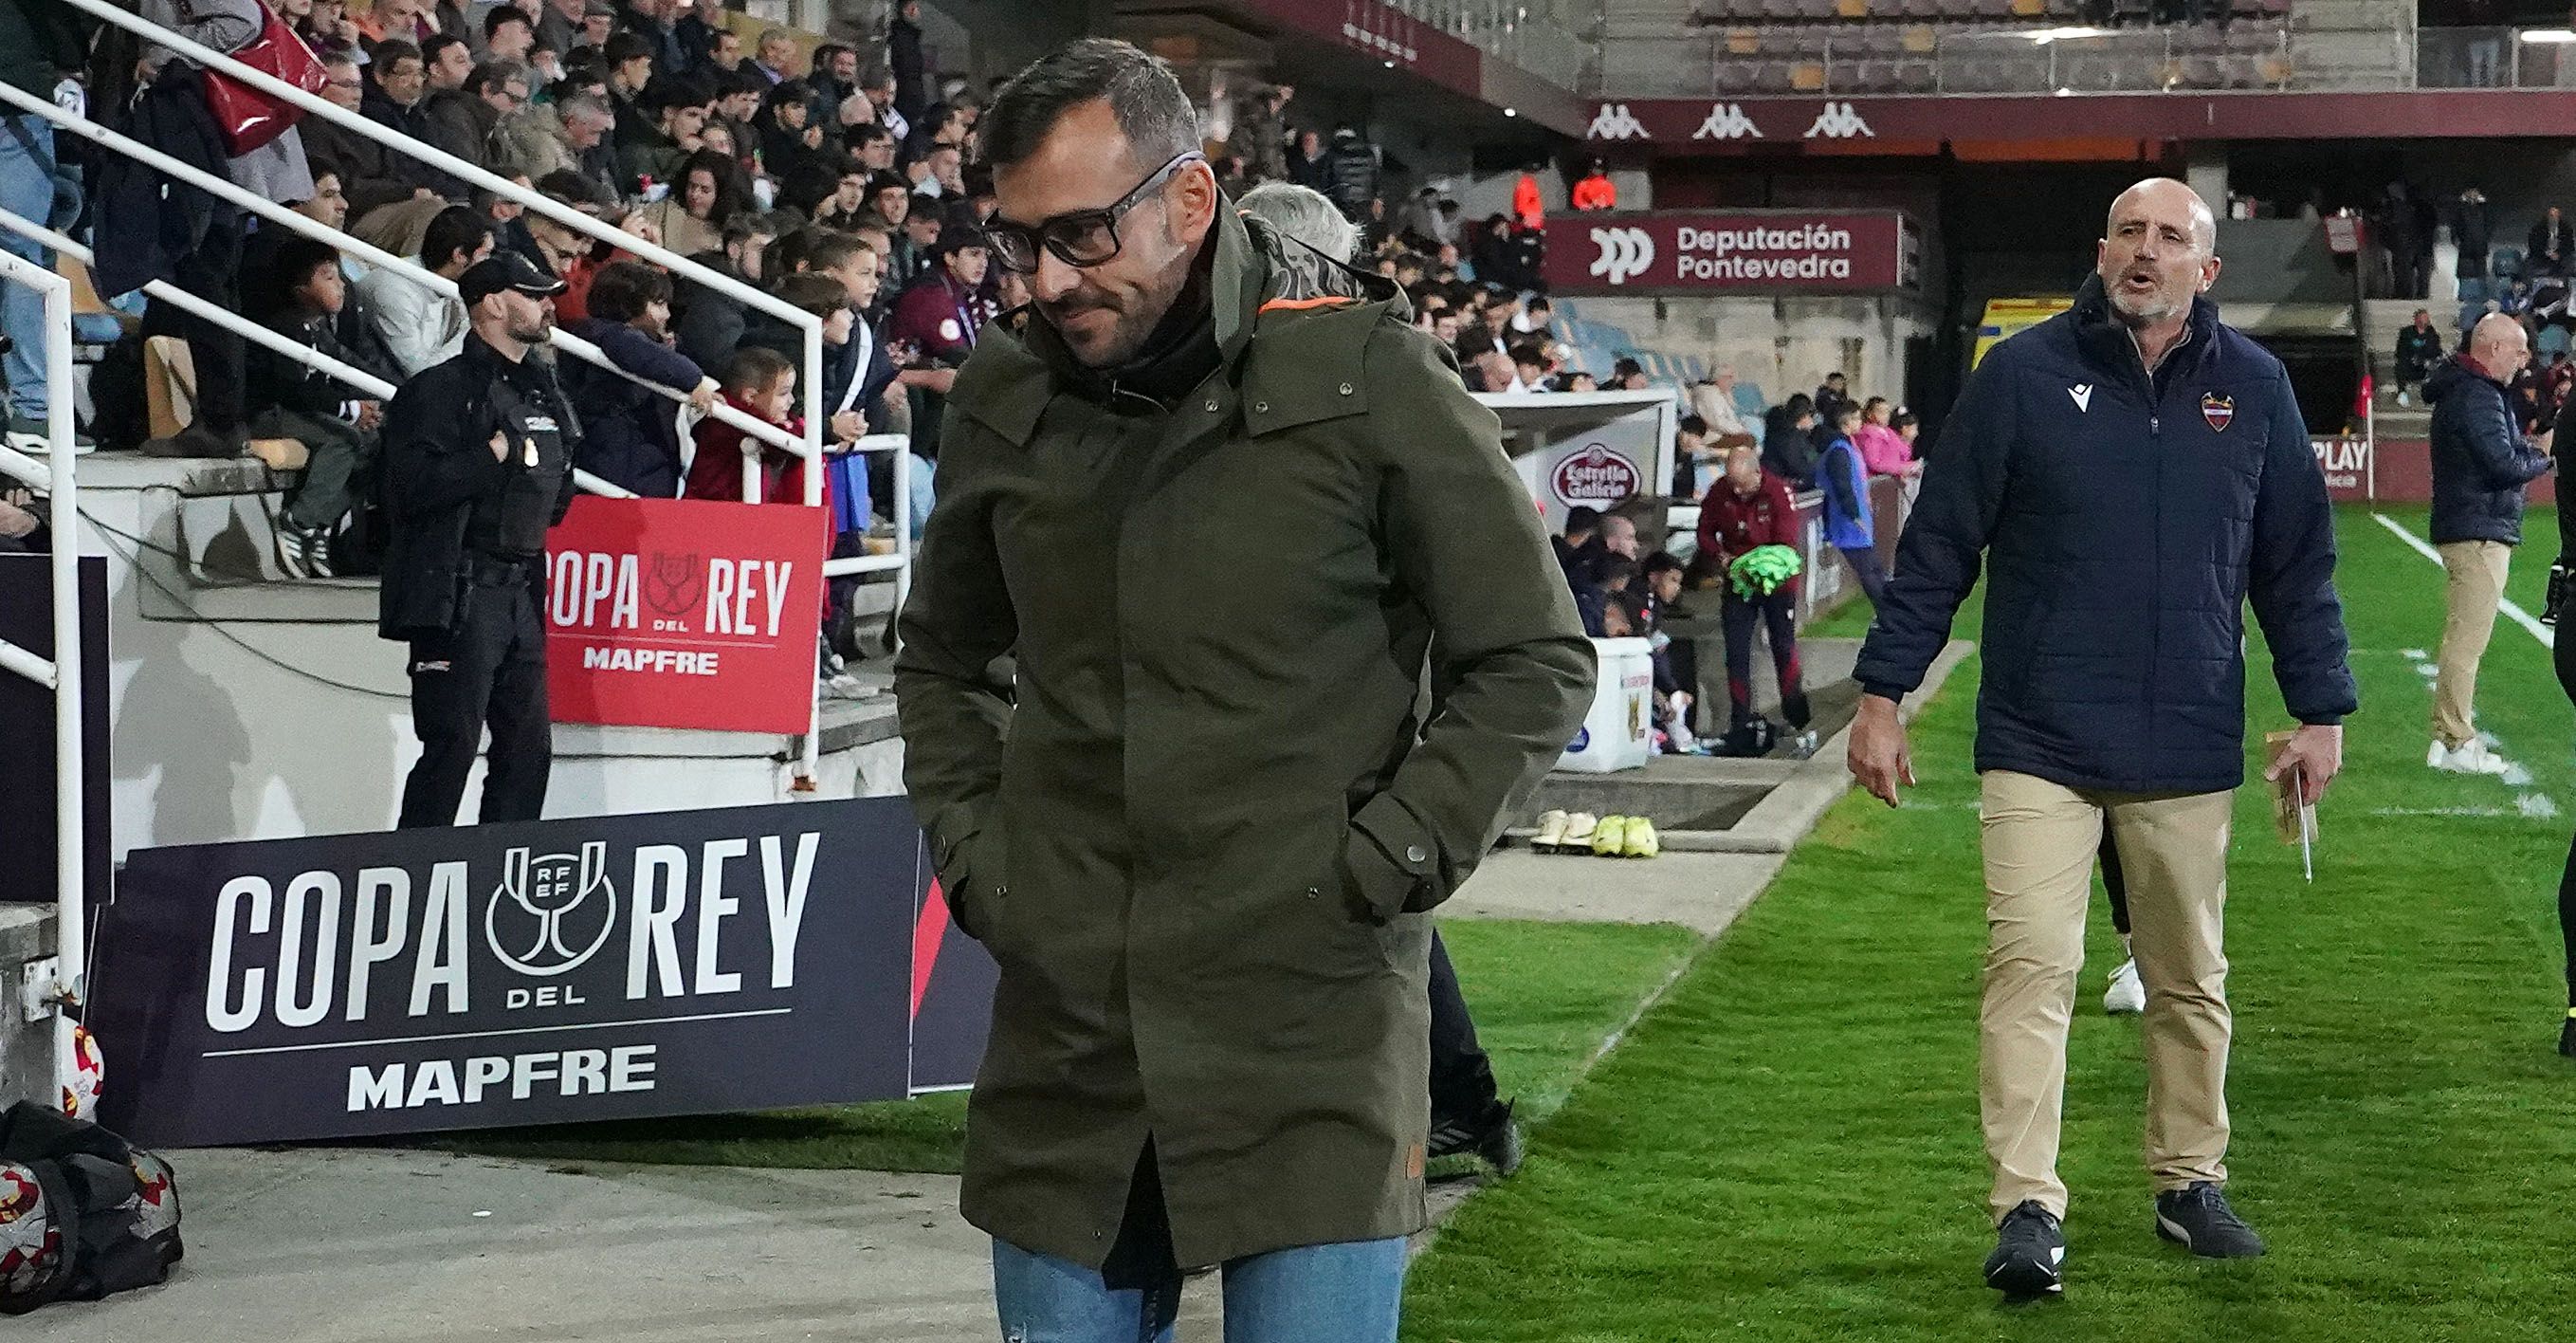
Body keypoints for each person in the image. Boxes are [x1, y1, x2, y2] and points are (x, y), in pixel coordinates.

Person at [893, 38, 1590, 1340]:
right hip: (1071, 1038)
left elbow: (1532, 658)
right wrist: (988, 865)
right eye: (1019, 240)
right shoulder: (1003, 386)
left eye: (1085, 235)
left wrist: (1380, 865)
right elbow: (939, 659)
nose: (1048, 278)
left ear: (1192, 199)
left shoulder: (1369, 371)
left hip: (1308, 1025)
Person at [1848, 179, 2355, 1297]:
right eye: (2129, 232)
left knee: (2186, 978)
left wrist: (2319, 710)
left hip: (2184, 734)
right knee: (2029, 964)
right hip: (2037, 730)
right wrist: (1883, 691)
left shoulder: (2255, 388)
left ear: (2204, 271)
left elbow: (2293, 568)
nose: (2145, 251)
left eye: (2170, 238)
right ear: (2100, 251)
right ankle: (2025, 1206)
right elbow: (1939, 545)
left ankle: (2187, 1181)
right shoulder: (2019, 376)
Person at [1238, 175, 1526, 1177]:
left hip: (1351, 726)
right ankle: (1466, 1106)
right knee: (1385, 922)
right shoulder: (1321, 374)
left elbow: (1523, 634)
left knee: (1375, 912)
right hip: (1323, 723)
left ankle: (1443, 1112)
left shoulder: (1390, 381)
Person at [380, 253, 582, 828]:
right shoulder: (437, 391)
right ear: (492, 303)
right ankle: (414, 888)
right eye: (534, 294)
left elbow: (557, 483)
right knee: (451, 748)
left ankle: (503, 885)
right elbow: (409, 490)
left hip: (521, 588)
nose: (548, 305)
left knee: (528, 753)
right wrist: (490, 456)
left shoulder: (543, 389)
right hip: (459, 589)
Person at [2423, 313, 2555, 775]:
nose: (2525, 360)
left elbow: (2502, 451)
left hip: (2472, 524)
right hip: (2478, 529)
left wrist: (2531, 452)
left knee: (2463, 637)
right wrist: (2543, 458)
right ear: (2493, 348)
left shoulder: (2469, 391)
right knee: (2467, 641)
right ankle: (2456, 741)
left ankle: (2448, 738)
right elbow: (2501, 463)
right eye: (2519, 349)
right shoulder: (2478, 395)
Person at [250, 238, 390, 579]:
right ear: (299, 288)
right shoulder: (284, 327)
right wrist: (351, 410)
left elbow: (352, 365)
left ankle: (321, 524)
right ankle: (299, 521)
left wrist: (396, 393)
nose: (341, 285)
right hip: (269, 412)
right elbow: (296, 390)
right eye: (328, 277)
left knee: (375, 443)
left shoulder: (319, 328)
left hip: (302, 411)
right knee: (344, 439)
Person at [561, 260, 717, 498]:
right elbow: (635, 351)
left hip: (635, 463)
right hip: (620, 464)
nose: (666, 315)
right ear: (628, 303)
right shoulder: (608, 335)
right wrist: (693, 380)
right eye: (659, 304)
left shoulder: (622, 338)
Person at [1697, 446, 1810, 749]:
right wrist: (1720, 555)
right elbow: (1705, 531)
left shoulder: (1778, 492)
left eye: (1742, 485)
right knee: (1736, 651)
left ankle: (1796, 713)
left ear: (1757, 474)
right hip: (1738, 581)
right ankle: (1740, 719)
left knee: (1783, 646)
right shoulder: (1720, 492)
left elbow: (1785, 543)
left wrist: (1756, 564)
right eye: (1732, 483)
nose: (1737, 491)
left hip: (1777, 583)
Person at [357, 206, 494, 377]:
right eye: (485, 254)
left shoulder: (452, 286)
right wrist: (473, 332)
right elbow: (421, 373)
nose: (488, 263)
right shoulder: (395, 291)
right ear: (459, 255)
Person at [1816, 404, 1885, 605]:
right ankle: (1887, 613)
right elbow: (1842, 486)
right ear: (1846, 422)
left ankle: (1890, 612)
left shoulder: (1847, 447)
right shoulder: (1839, 451)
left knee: (1874, 568)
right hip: (1847, 520)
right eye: (1856, 418)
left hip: (1856, 517)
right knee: (1868, 570)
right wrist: (1854, 515)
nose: (1860, 423)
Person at [2395, 307, 2443, 407]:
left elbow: (2435, 351)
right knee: (2401, 364)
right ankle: (2402, 393)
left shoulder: (2432, 335)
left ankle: (2431, 395)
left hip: (2425, 364)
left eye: (2426, 318)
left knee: (2435, 365)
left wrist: (2422, 358)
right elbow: (2401, 350)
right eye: (2422, 318)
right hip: (2410, 363)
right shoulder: (2406, 333)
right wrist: (2412, 358)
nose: (2425, 321)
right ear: (2416, 319)